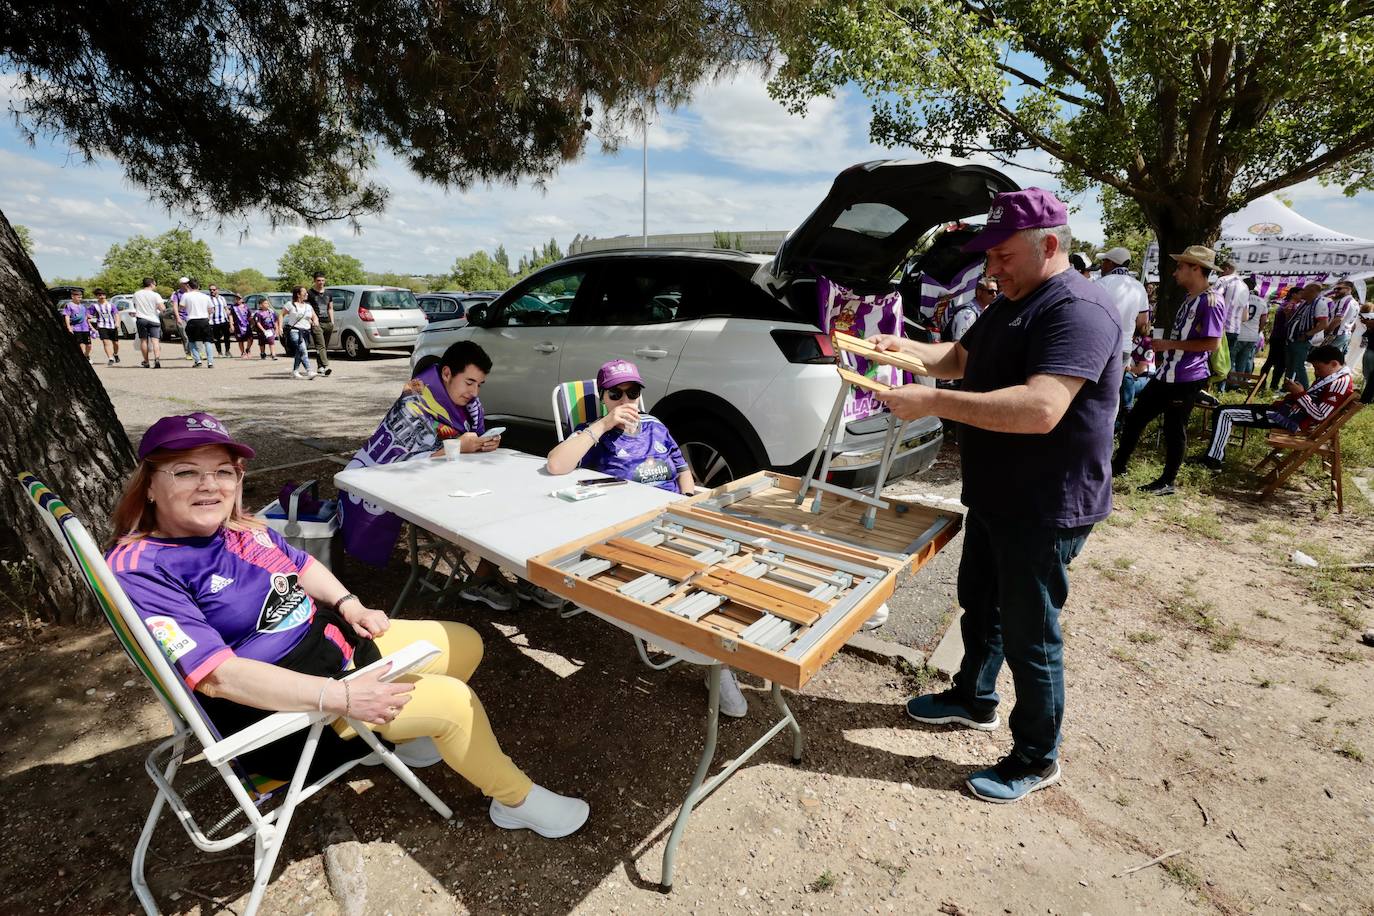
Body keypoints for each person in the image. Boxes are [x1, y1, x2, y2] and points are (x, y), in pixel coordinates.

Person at [106, 412, 588, 838]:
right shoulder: (143, 567)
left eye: (222, 472)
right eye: (186, 472)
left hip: (336, 653)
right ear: (148, 483)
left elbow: (301, 564)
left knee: (465, 643)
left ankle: (405, 738)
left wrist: (349, 603)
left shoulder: (238, 528)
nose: (209, 485)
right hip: (286, 716)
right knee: (454, 704)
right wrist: (342, 698)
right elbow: (218, 677)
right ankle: (517, 802)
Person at [863, 188, 1121, 803]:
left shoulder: (1078, 309)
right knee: (979, 603)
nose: (992, 269)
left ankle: (1036, 756)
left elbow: (1040, 409)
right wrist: (907, 354)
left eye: (1003, 255)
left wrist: (930, 402)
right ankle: (972, 698)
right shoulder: (1012, 299)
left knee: (1031, 635)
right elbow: (960, 357)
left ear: (1049, 245)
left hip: (1046, 503)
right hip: (997, 492)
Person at [340, 340, 565, 612]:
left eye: (480, 384)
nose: (474, 391)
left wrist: (481, 443)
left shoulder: (468, 403)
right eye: (469, 382)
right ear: (446, 373)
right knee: (491, 507)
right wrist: (461, 446)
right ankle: (484, 576)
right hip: (404, 485)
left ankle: (519, 572)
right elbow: (398, 461)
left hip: (452, 478)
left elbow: (463, 441)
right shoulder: (415, 400)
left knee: (514, 495)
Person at [1112, 245, 1225, 496]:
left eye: (1180, 266)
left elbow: (1212, 343)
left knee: (1175, 429)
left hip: (1187, 378)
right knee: (1135, 418)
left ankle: (1168, 481)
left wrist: (1170, 345)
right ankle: (1118, 466)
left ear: (1196, 268)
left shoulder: (1212, 301)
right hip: (1167, 374)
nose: (1175, 272)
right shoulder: (1189, 299)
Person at [1198, 345, 1353, 469]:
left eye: (1318, 368)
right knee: (1225, 411)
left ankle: (1213, 461)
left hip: (1289, 420)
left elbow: (1320, 415)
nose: (1317, 373)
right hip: (1287, 414)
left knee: (1224, 413)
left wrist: (1299, 394)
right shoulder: (1334, 378)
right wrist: (1298, 393)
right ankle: (1214, 457)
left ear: (1334, 364)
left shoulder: (1340, 383)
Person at [1093, 246, 1149, 370]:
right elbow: (1143, 323)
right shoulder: (1139, 287)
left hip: (1100, 346)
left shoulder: (1100, 284)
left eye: (1104, 261)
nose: (1102, 265)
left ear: (1111, 263)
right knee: (1114, 388)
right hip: (1124, 348)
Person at [1284, 282, 1331, 387]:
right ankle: (1288, 388)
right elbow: (1295, 320)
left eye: (1304, 290)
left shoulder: (1319, 303)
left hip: (1303, 340)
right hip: (1292, 338)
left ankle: (1304, 390)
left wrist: (1307, 334)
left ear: (1312, 291)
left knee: (1298, 366)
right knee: (1290, 365)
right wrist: (1288, 314)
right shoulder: (1304, 304)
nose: (1302, 292)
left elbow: (1324, 324)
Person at [1259, 286, 1300, 392]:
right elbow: (1288, 323)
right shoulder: (1290, 306)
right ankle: (1271, 385)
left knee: (1273, 362)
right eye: (1300, 293)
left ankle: (1264, 384)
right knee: (1279, 363)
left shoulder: (1284, 304)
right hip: (1282, 337)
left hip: (1277, 336)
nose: (1302, 296)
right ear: (1294, 294)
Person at [1230, 276, 1269, 381]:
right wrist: (1258, 331)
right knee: (1243, 360)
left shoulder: (1241, 298)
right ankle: (1240, 381)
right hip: (1252, 336)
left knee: (1232, 359)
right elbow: (1264, 320)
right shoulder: (1262, 301)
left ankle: (1232, 382)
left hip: (1239, 333)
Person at [281, 286, 317, 379]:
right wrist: (279, 327)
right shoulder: (290, 304)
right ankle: (309, 371)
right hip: (295, 331)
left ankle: (295, 371)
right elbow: (281, 315)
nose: (307, 294)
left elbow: (314, 316)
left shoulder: (308, 306)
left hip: (306, 332)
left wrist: (315, 322)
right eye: (304, 292)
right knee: (303, 350)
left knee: (299, 352)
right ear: (298, 294)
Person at [1214, 258, 1248, 358]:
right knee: (1226, 362)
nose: (1219, 275)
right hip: (1235, 330)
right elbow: (1245, 316)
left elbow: (1213, 301)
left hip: (1220, 329)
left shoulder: (1223, 280)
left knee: (1213, 362)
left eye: (1220, 272)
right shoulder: (1245, 286)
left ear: (1227, 269)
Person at [180, 278, 215, 368]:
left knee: (192, 341)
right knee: (207, 342)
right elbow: (211, 310)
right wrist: (207, 314)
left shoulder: (186, 296)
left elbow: (181, 308)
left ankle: (198, 360)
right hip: (204, 320)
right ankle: (210, 362)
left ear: (188, 286)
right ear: (198, 286)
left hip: (192, 320)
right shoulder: (205, 296)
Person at [131, 276, 165, 369]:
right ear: (151, 284)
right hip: (154, 320)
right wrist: (158, 308)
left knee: (144, 340)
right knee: (155, 341)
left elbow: (135, 305)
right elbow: (162, 308)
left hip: (141, 319)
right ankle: (157, 360)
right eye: (154, 284)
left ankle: (146, 361)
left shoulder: (137, 294)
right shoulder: (155, 295)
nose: (155, 286)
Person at [306, 272, 334, 376]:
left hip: (328, 323)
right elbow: (307, 309)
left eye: (322, 280)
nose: (320, 282)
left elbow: (330, 308)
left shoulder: (329, 293)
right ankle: (326, 366)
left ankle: (320, 367)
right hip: (316, 323)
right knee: (320, 345)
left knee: (323, 347)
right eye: (318, 280)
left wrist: (332, 322)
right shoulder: (310, 293)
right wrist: (311, 321)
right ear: (314, 281)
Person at [1325, 280, 1360, 356]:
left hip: (1336, 334)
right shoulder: (1355, 302)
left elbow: (1338, 319)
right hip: (1345, 335)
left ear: (1348, 289)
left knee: (1324, 358)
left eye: (1339, 289)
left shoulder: (1345, 300)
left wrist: (1326, 331)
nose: (1336, 291)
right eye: (1335, 289)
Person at [88, 287, 122, 366]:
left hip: (112, 326)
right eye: (100, 295)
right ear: (97, 296)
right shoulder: (94, 306)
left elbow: (116, 314)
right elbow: (89, 314)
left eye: (103, 294)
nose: (102, 296)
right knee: (105, 342)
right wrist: (89, 319)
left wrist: (117, 323)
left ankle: (115, 354)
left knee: (116, 343)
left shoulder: (111, 305)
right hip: (101, 326)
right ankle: (110, 358)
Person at [61, 290, 93, 360]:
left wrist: (91, 326)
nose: (80, 298)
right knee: (81, 344)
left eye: (81, 297)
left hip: (85, 328)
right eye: (78, 297)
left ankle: (86, 355)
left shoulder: (83, 306)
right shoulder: (69, 305)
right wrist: (68, 326)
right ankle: (83, 359)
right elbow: (67, 316)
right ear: (73, 297)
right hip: (76, 328)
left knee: (89, 345)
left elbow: (86, 317)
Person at [171, 277, 194, 360]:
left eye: (188, 283)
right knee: (185, 336)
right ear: (181, 284)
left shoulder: (192, 292)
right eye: (185, 283)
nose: (187, 284)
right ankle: (188, 353)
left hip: (192, 317)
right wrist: (178, 318)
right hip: (182, 317)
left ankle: (197, 352)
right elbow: (175, 306)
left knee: (194, 336)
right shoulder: (176, 294)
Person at [207, 284, 232, 358]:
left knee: (227, 337)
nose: (212, 291)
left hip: (223, 321)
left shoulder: (222, 298)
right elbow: (207, 309)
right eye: (210, 290)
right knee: (216, 338)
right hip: (214, 322)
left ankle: (227, 351)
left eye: (213, 290)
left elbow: (226, 308)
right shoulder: (208, 299)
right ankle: (219, 352)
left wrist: (228, 313)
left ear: (217, 290)